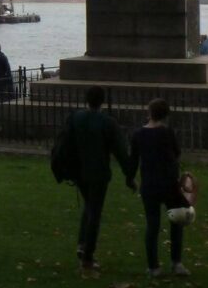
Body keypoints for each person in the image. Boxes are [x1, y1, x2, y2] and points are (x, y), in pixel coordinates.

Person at [67, 86, 132, 272]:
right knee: (94, 211)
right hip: (98, 173)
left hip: (79, 171)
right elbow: (120, 151)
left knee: (89, 205)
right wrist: (129, 174)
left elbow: (66, 143)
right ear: (102, 101)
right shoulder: (107, 122)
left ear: (86, 100)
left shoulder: (76, 118)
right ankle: (87, 256)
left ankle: (82, 244)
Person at [125, 99, 189, 278]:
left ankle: (153, 266)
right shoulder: (168, 133)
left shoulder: (138, 134)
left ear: (149, 113)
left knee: (152, 225)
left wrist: (130, 179)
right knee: (176, 222)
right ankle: (176, 263)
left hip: (150, 184)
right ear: (166, 115)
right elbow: (177, 153)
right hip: (169, 183)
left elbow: (133, 160)